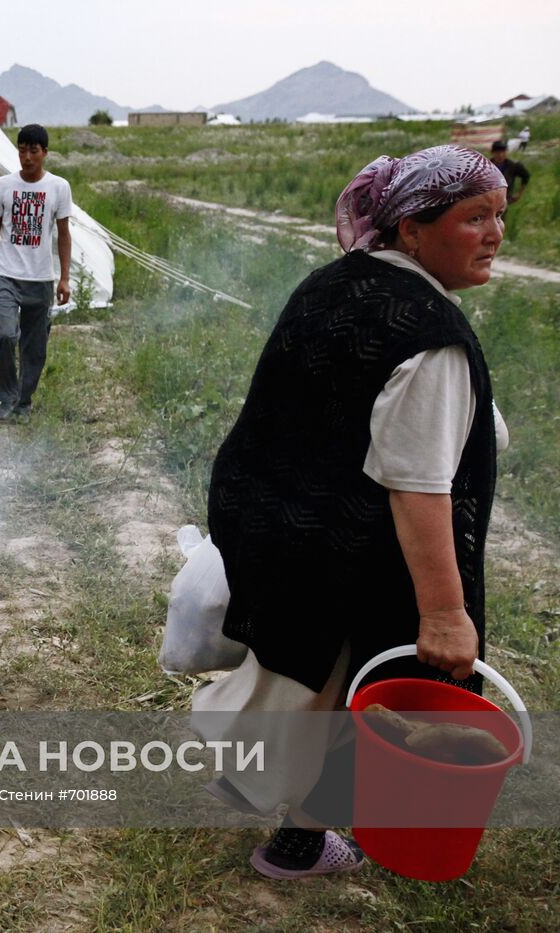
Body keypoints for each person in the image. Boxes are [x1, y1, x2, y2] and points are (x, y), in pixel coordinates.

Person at [194, 145, 509, 879]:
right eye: (473, 218)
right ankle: (304, 837)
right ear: (411, 230)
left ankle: (271, 804)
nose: (495, 234)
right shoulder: (430, 338)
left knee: (304, 682)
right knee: (375, 696)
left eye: (499, 216)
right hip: (353, 552)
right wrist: (444, 614)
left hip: (281, 529)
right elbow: (417, 485)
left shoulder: (337, 281)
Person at [0, 124, 72, 422]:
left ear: (45, 153)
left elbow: (64, 234)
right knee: (5, 335)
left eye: (33, 151)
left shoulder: (58, 187)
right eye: (22, 150)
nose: (27, 157)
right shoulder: (4, 185)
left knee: (34, 346)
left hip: (40, 279)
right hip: (6, 275)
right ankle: (7, 397)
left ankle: (24, 402)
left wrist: (64, 277)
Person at [489, 140, 530, 211]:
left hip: (504, 200)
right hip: (487, 200)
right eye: (497, 152)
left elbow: (526, 176)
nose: (500, 155)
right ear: (492, 153)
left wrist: (519, 193)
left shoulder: (513, 165)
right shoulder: (486, 165)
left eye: (503, 152)